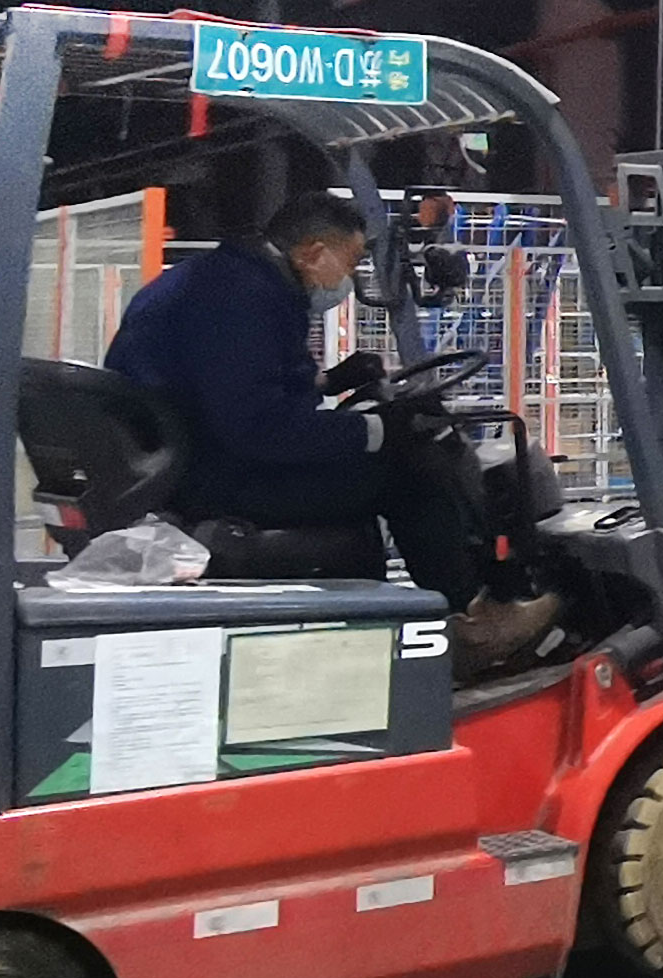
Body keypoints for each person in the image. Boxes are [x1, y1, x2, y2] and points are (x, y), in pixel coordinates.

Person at [104, 189, 552, 668]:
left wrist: (331, 381)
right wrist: (376, 431)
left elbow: (234, 386)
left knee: (391, 453)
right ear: (313, 252)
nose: (349, 278)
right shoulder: (241, 300)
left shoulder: (223, 282)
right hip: (213, 478)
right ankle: (475, 622)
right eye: (352, 261)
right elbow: (260, 427)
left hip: (188, 460)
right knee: (411, 471)